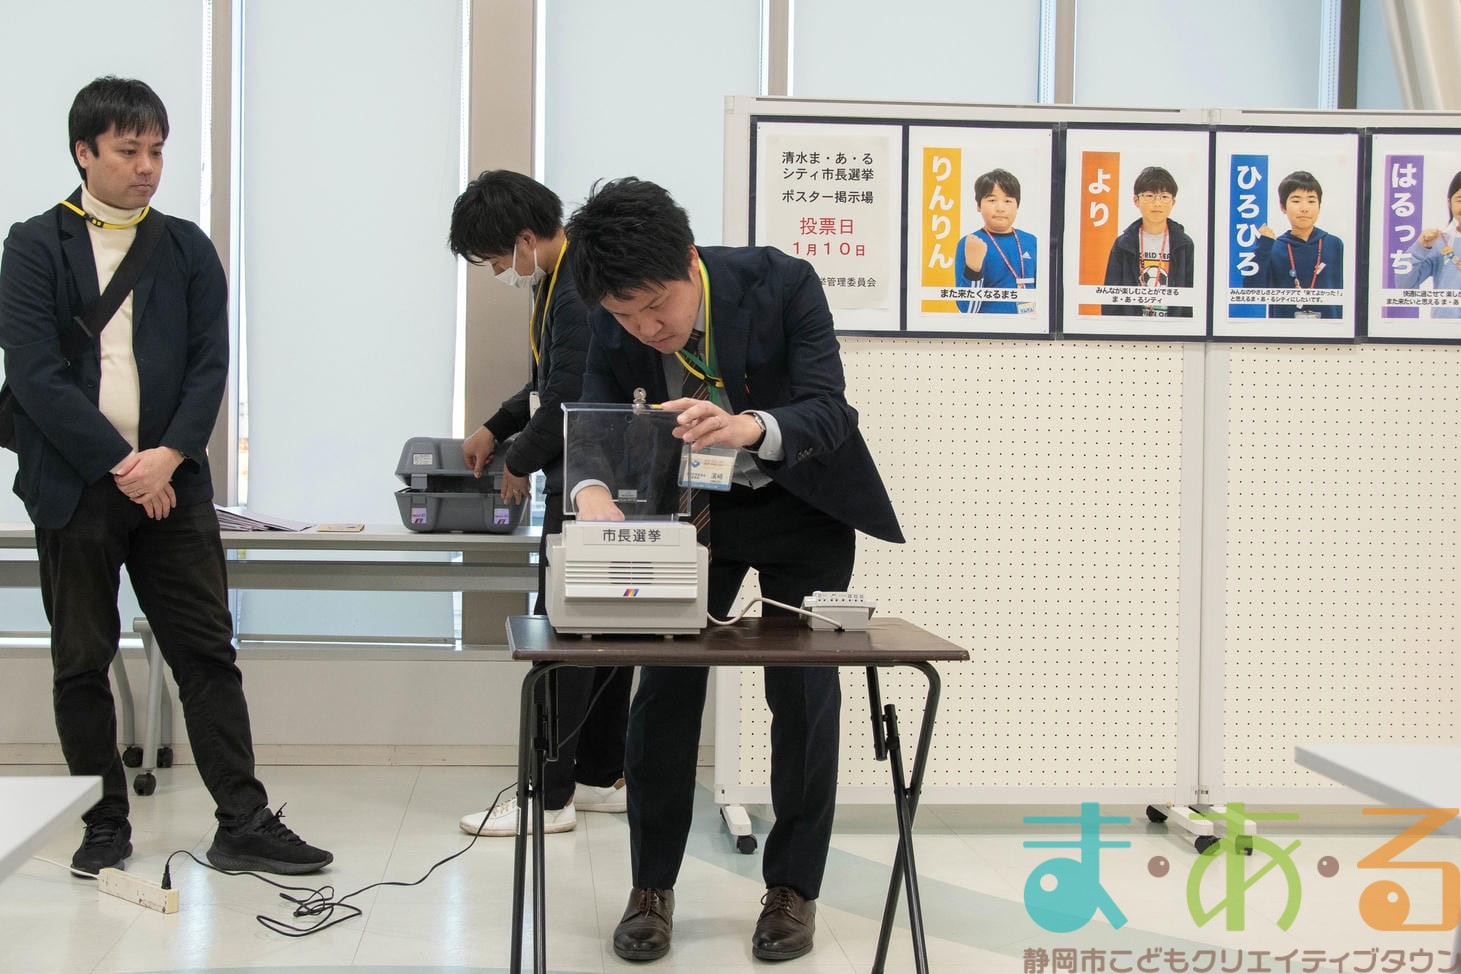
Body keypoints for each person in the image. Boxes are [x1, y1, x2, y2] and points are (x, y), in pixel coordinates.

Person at [564, 177, 903, 963]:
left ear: (690, 261)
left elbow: (829, 408)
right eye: (625, 317)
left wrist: (748, 426)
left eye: (657, 308)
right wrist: (591, 494)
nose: (645, 329)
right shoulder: (611, 314)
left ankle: (792, 891)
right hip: (691, 513)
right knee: (663, 696)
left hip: (801, 504)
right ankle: (650, 887)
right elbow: (595, 424)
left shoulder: (781, 283)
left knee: (803, 701)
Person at [0, 77, 331, 877]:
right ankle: (103, 824)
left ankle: (243, 822)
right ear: (84, 152)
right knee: (82, 660)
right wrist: (121, 464)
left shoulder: (185, 247)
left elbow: (210, 365)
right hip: (77, 486)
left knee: (206, 652)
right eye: (128, 151)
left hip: (172, 484)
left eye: (156, 150)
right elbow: (36, 375)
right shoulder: (34, 245)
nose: (147, 166)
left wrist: (169, 456)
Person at [446, 170, 631, 836]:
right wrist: (495, 427)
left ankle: (548, 798)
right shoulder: (560, 279)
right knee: (605, 635)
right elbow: (542, 383)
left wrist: (517, 460)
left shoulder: (575, 288)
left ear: (525, 238)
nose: (499, 271)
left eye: (497, 259)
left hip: (588, 484)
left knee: (563, 636)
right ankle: (600, 777)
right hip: (608, 484)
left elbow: (566, 402)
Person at [1244, 170, 1345, 319]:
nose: (1304, 208)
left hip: (1330, 329)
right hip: (1284, 330)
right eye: (1296, 201)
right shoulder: (1273, 247)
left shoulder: (1334, 244)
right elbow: (1251, 291)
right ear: (1283, 207)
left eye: (1311, 201)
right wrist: (1263, 246)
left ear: (1319, 206)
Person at [1101, 166, 1195, 317]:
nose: (1157, 203)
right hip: (1131, 328)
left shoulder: (1184, 245)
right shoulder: (1123, 245)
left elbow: (1191, 296)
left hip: (1173, 328)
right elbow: (1110, 297)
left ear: (1173, 202)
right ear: (1136, 200)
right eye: (1150, 195)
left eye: (1164, 196)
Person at [953, 168, 1038, 315]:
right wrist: (973, 269)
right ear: (979, 205)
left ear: (1017, 205)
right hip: (988, 327)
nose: (1000, 208)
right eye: (992, 200)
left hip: (1029, 325)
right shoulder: (969, 243)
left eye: (1008, 201)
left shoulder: (1032, 242)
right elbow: (968, 309)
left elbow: (1046, 297)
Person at [1393, 169, 1461, 318]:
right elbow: (1405, 287)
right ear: (1449, 203)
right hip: (1445, 329)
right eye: (1460, 200)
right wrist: (1420, 248)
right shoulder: (1439, 242)